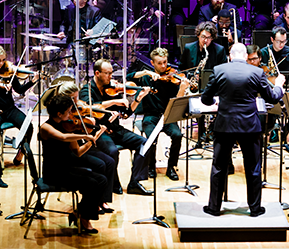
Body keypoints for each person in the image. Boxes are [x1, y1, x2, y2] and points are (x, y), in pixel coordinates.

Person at [201, 43, 285, 217]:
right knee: (253, 167)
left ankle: (214, 208)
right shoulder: (257, 72)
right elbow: (272, 97)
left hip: (224, 125)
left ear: (230, 56)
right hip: (250, 126)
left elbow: (205, 98)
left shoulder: (218, 70)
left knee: (219, 167)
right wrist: (279, 85)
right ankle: (255, 209)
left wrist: (216, 103)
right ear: (246, 56)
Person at [79, 59, 153, 196]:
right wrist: (113, 102)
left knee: (145, 143)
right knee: (112, 152)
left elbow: (125, 114)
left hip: (116, 130)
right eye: (107, 73)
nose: (111, 77)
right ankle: (113, 183)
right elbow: (89, 108)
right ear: (97, 73)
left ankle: (134, 183)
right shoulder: (86, 90)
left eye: (111, 73)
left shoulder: (111, 88)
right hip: (100, 131)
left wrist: (137, 99)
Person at [40, 95, 107, 234]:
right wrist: (84, 136)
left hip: (67, 168)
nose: (72, 114)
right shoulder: (45, 127)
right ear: (59, 114)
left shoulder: (67, 126)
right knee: (91, 183)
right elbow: (62, 138)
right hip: (54, 172)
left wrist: (93, 139)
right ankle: (84, 218)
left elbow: (78, 152)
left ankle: (80, 213)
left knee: (101, 180)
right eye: (69, 111)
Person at [127, 48, 189, 181]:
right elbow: (128, 78)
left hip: (167, 116)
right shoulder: (145, 78)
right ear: (152, 63)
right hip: (151, 116)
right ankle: (151, 166)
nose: (163, 66)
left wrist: (182, 88)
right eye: (159, 63)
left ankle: (171, 167)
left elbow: (176, 101)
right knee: (151, 139)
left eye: (165, 62)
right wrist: (145, 72)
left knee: (177, 135)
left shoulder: (172, 79)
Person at [56, 82, 116, 214]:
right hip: (72, 151)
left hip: (83, 144)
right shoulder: (61, 114)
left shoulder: (77, 108)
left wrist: (90, 121)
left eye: (77, 98)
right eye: (73, 99)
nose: (77, 102)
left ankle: (102, 200)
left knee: (110, 162)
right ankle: (92, 202)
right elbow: (71, 138)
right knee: (100, 165)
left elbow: (90, 112)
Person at [179, 22, 227, 144]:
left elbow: (223, 72)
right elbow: (182, 68)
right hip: (193, 86)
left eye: (208, 38)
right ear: (198, 35)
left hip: (213, 86)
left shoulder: (219, 50)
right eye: (203, 37)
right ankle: (201, 134)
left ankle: (212, 129)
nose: (205, 40)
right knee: (198, 98)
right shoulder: (189, 48)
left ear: (213, 37)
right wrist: (188, 79)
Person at [0, 46, 40, 188]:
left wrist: (33, 80)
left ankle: (21, 153)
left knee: (28, 126)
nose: (1, 64)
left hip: (9, 110)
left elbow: (19, 90)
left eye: (3, 60)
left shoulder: (8, 72)